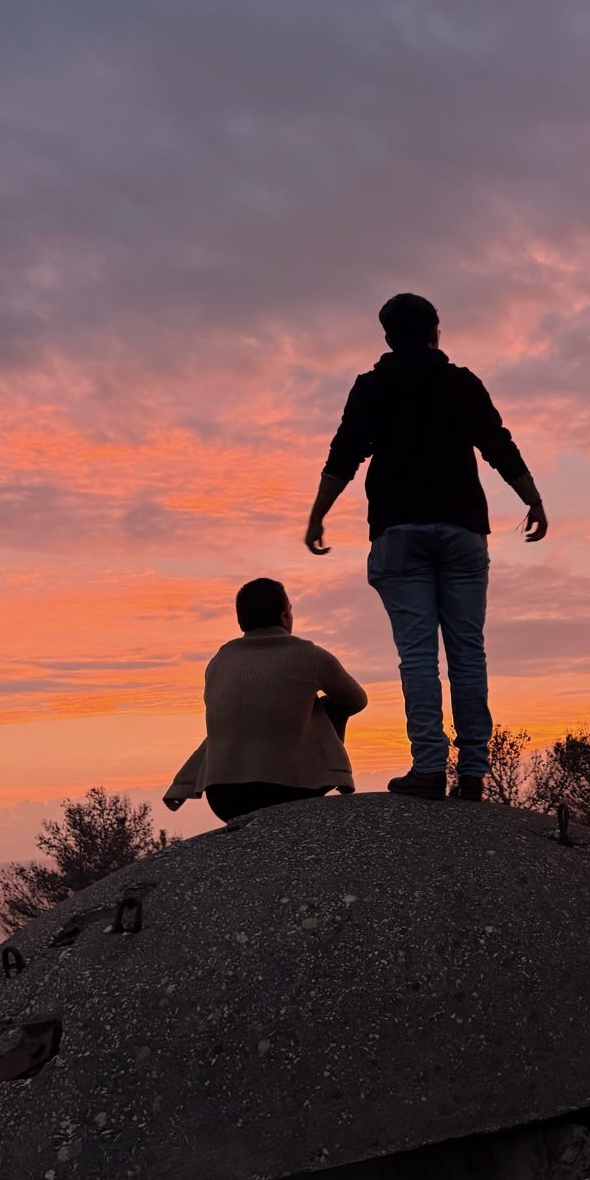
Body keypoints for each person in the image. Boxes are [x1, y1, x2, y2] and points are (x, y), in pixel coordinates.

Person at [303, 292, 547, 802]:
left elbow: (344, 452)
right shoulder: (461, 384)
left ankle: (429, 768)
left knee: (417, 656)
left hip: (398, 533)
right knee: (467, 653)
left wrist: (318, 512)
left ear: (388, 337)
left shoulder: (372, 388)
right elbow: (498, 444)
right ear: (436, 330)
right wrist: (533, 499)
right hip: (461, 532)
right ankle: (475, 773)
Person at [164, 578, 368, 822]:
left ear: (241, 621)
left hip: (223, 797)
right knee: (331, 705)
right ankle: (323, 773)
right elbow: (356, 700)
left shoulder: (220, 659)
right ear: (284, 616)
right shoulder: (308, 654)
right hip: (285, 791)